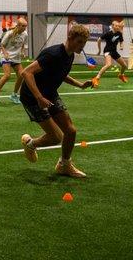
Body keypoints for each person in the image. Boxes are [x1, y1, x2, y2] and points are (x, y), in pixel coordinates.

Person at [19, 23, 93, 178]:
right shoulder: (53, 54)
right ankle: (30, 144)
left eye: (84, 43)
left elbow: (61, 74)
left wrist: (79, 85)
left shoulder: (70, 55)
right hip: (33, 97)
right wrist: (39, 97)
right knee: (56, 137)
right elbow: (27, 73)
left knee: (70, 131)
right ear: (70, 38)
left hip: (49, 93)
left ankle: (64, 165)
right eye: (80, 42)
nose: (82, 46)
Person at [0, 18, 28, 105]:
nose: (25, 28)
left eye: (26, 26)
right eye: (23, 26)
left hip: (16, 57)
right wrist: (6, 54)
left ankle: (14, 95)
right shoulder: (10, 33)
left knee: (21, 75)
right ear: (18, 25)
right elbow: (2, 45)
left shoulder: (25, 34)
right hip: (6, 56)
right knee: (7, 75)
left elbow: (22, 45)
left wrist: (23, 52)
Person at [92, 21, 127, 87]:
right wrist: (99, 50)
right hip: (107, 51)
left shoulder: (119, 33)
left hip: (114, 51)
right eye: (116, 26)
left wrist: (121, 46)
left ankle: (121, 75)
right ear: (113, 26)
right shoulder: (108, 33)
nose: (118, 27)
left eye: (118, 26)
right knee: (108, 64)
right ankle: (96, 78)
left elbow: (121, 41)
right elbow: (99, 40)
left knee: (124, 65)